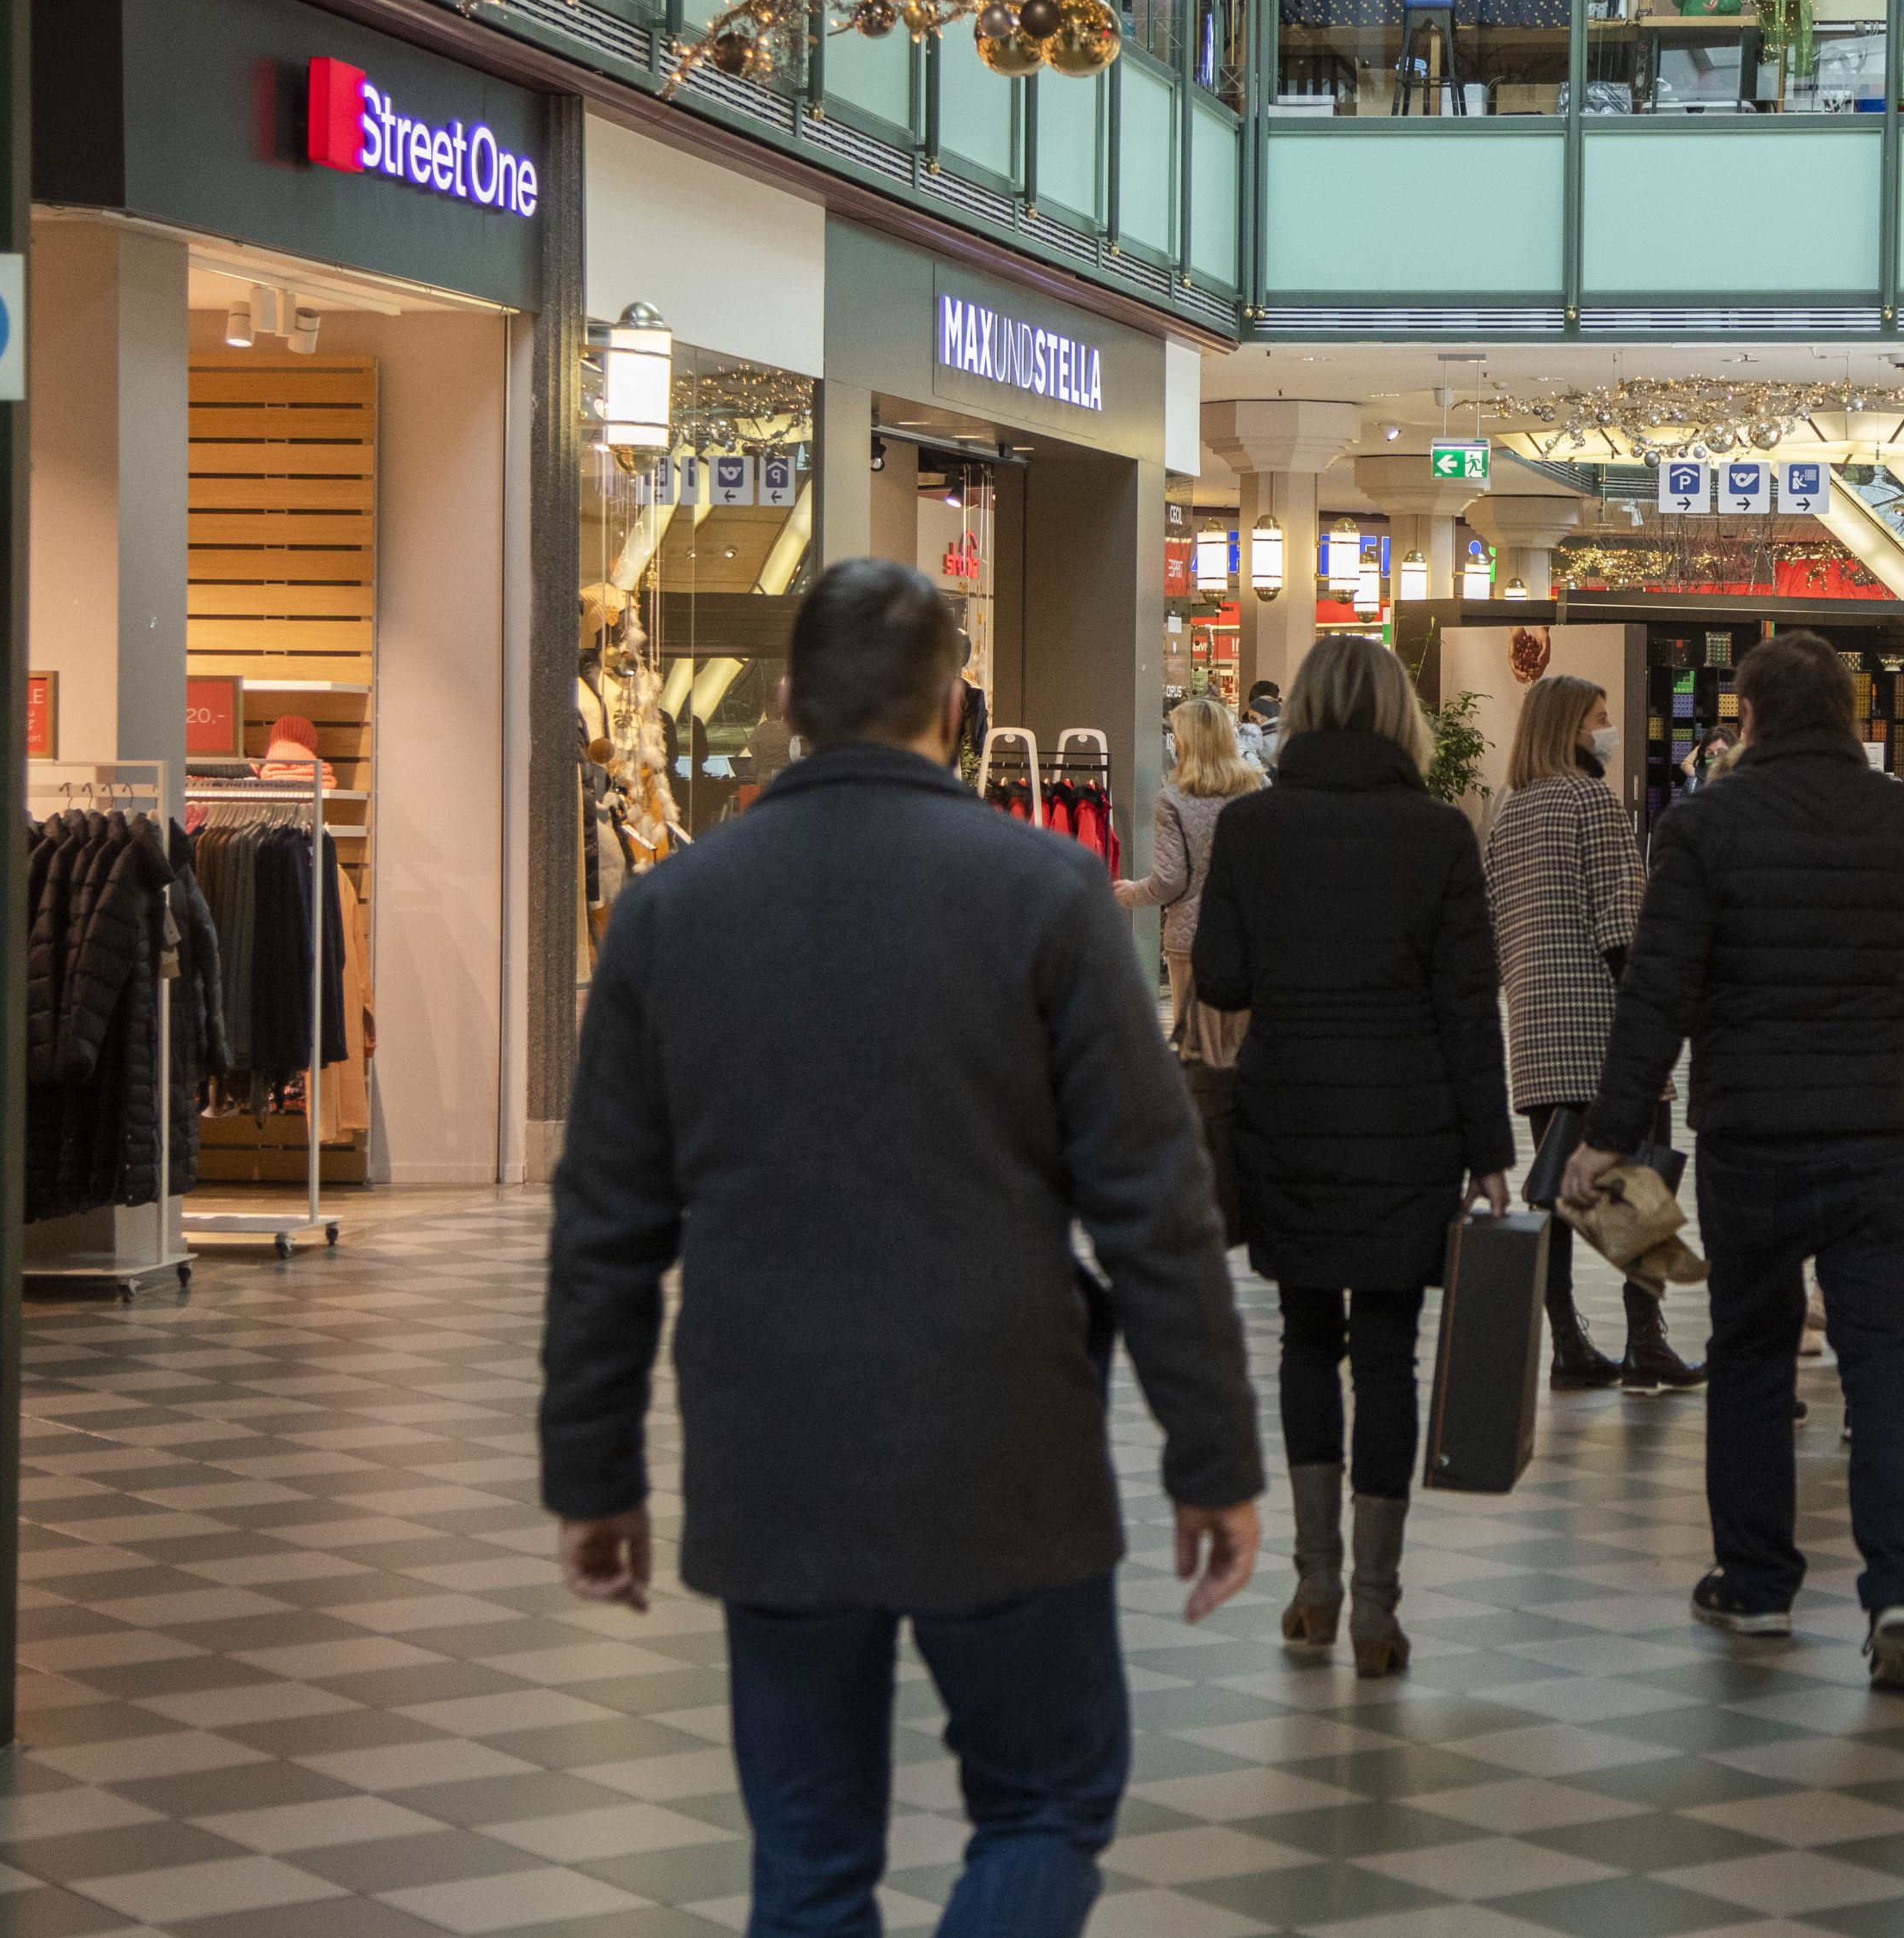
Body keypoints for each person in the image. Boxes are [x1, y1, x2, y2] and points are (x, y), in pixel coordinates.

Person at [541, 559, 1264, 1938]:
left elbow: (606, 1231)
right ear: (955, 707)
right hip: (1008, 1440)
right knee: (1047, 1801)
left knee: (807, 1865)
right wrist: (1212, 1458)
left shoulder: (671, 916)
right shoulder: (1043, 893)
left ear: (791, 706)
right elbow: (1153, 1201)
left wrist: (595, 1475)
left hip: (772, 1443)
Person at [1561, 631, 1904, 1694]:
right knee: (1886, 1356)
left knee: (1755, 1352)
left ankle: (1757, 1581)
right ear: (1853, 715)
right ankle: (1902, 1594)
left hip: (1752, 1135)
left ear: (1748, 719)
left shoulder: (1705, 827)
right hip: (1883, 1138)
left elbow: (1656, 994)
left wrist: (1608, 1134)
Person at [1193, 633, 1515, 1680]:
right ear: (1396, 713)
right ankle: (1377, 1604)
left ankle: (1314, 1582)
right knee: (1386, 1351)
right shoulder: (1436, 835)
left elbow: (1224, 983)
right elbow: (1468, 1006)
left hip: (1288, 1110)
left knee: (1301, 1340)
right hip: (1409, 1117)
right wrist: (1487, 1150)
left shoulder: (1250, 827)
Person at [1482, 674, 1704, 1396]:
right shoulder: (1590, 801)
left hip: (1537, 1028)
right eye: (1601, 719)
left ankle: (1568, 1342)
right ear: (1569, 730)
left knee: (1558, 1189)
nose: (1610, 731)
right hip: (1603, 1025)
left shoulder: (1508, 812)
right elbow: (1620, 927)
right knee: (1638, 1182)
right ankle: (1646, 1342)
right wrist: (1657, 1017)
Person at [1115, 697, 1262, 1062]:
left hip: (1191, 937)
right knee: (1243, 1046)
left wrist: (1128, 893)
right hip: (1250, 933)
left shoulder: (1174, 799)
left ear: (1189, 742)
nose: (1174, 742)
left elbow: (1170, 881)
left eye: (1177, 735)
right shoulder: (1256, 791)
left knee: (1198, 1050)